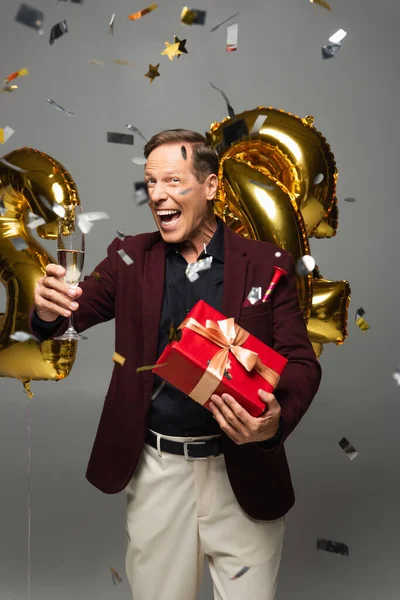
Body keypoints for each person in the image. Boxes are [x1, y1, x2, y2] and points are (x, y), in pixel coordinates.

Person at [30, 129, 322, 600]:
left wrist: (274, 423)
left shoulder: (267, 265)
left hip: (243, 472)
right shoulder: (127, 259)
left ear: (210, 187)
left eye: (173, 180)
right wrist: (45, 310)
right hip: (157, 474)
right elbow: (67, 318)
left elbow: (302, 363)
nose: (159, 194)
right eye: (150, 183)